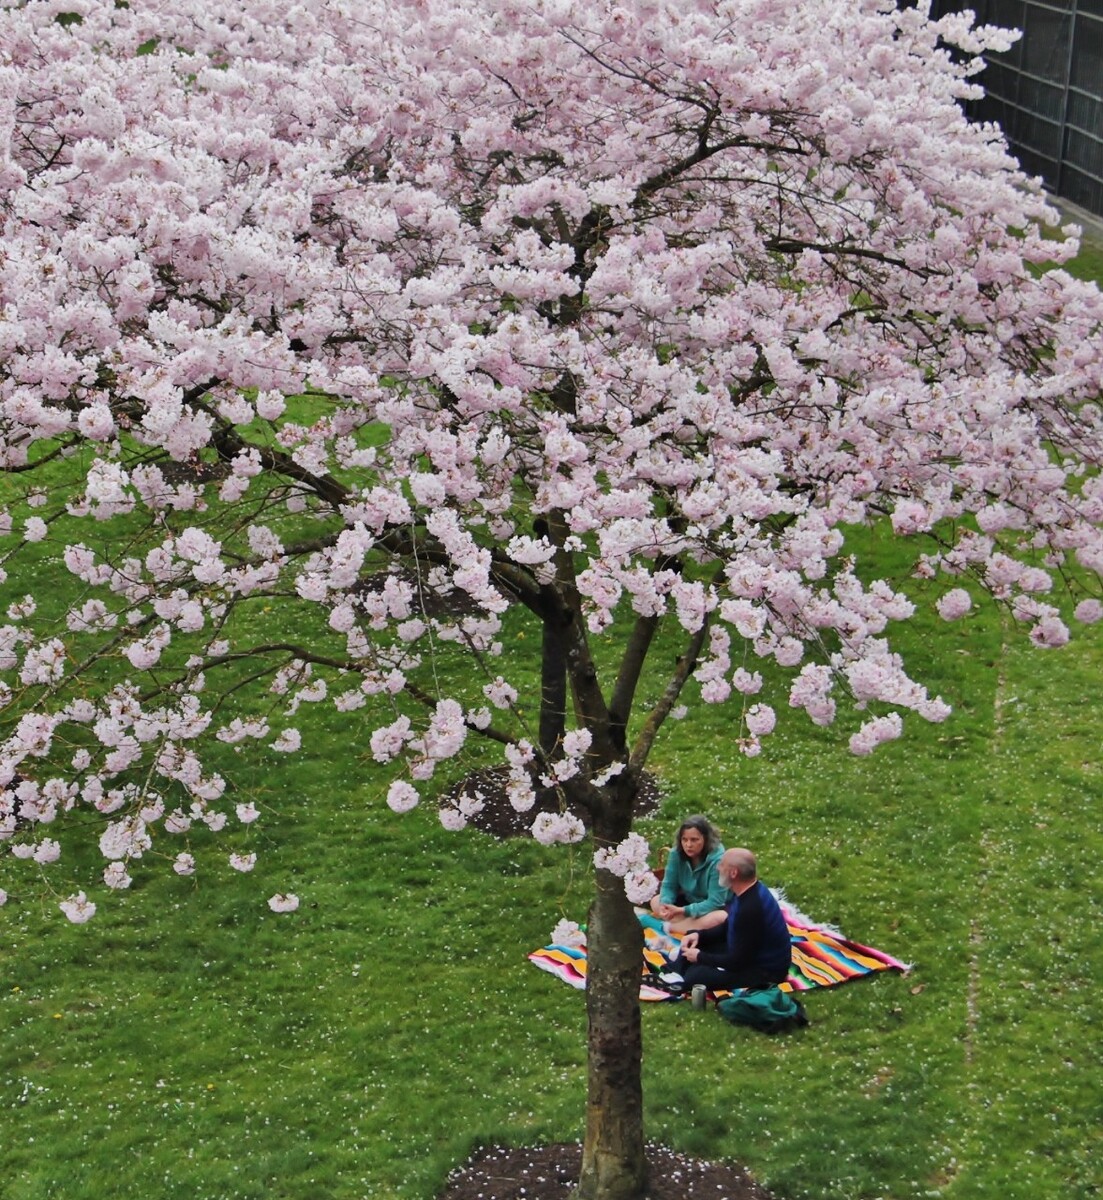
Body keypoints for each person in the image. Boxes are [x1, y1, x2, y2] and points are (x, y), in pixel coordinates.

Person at [671, 847, 791, 992]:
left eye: (721, 864)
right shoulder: (745, 891)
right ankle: (678, 970)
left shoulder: (750, 908)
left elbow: (737, 962)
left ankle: (680, 971)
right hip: (745, 952)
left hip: (765, 971)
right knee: (693, 942)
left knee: (695, 977)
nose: (717, 868)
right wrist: (699, 935)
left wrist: (700, 957)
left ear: (734, 873)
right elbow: (728, 927)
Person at [649, 815, 728, 932]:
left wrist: (683, 911)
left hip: (711, 909)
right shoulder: (676, 854)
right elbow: (669, 885)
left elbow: (715, 902)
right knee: (656, 901)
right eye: (684, 840)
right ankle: (688, 927)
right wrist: (665, 905)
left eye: (694, 840)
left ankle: (669, 927)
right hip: (688, 902)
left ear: (706, 839)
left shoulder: (719, 861)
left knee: (719, 918)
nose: (688, 845)